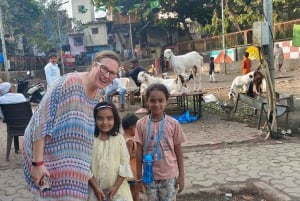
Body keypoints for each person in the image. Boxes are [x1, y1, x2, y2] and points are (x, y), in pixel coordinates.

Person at [22, 50, 121, 200]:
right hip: (47, 163)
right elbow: (40, 121)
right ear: (95, 64)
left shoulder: (97, 97)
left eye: (112, 73)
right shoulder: (69, 83)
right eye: (104, 68)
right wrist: (37, 163)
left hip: (73, 171)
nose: (107, 75)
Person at [135, 83, 187, 201]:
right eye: (152, 101)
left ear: (167, 101)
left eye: (160, 100)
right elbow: (138, 153)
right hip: (149, 176)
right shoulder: (141, 124)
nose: (156, 104)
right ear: (146, 101)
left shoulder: (173, 124)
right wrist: (138, 178)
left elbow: (178, 151)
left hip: (169, 176)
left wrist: (181, 176)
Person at [88, 102, 133, 201]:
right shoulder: (89, 140)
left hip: (118, 191)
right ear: (94, 119)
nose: (104, 122)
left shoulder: (119, 139)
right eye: (100, 118)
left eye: (109, 118)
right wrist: (96, 188)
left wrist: (115, 188)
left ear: (115, 120)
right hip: (95, 192)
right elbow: (85, 167)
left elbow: (124, 164)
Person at [0, 82, 27, 153]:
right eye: (12, 87)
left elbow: (2, 116)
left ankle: (16, 148)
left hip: (12, 125)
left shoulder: (1, 100)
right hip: (27, 125)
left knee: (14, 120)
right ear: (10, 89)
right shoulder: (20, 96)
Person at [122, 113, 140, 201]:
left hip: (129, 173)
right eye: (137, 128)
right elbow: (126, 157)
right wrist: (137, 154)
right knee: (134, 193)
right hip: (131, 173)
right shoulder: (129, 141)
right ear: (132, 127)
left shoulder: (123, 138)